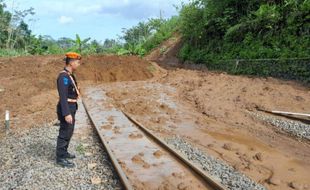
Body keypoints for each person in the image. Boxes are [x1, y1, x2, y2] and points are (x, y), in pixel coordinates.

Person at [56, 52, 81, 168]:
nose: (78, 64)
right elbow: (63, 96)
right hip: (66, 108)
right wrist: (66, 113)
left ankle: (64, 152)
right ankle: (60, 157)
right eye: (77, 62)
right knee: (65, 131)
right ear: (71, 62)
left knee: (69, 131)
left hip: (72, 107)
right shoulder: (63, 77)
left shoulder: (70, 75)